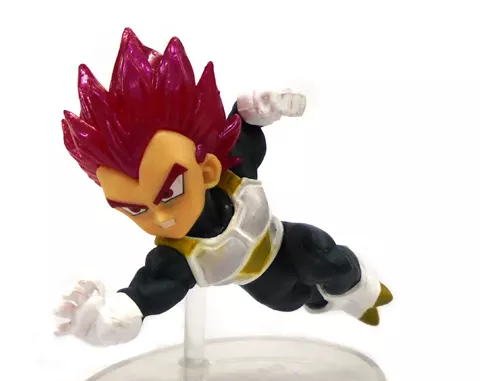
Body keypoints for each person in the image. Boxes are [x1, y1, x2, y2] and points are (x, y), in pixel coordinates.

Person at [55, 28, 392, 346]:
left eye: (170, 193)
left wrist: (262, 106)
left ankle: (360, 292)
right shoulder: (176, 258)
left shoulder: (234, 174)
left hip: (287, 241)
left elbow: (243, 123)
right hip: (268, 286)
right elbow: (145, 294)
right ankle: (323, 299)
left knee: (322, 255)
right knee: (299, 297)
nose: (160, 219)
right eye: (135, 208)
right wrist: (107, 322)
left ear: (207, 171)